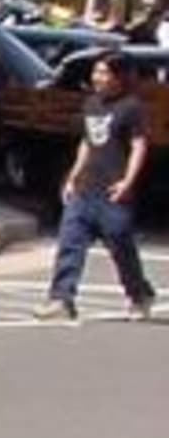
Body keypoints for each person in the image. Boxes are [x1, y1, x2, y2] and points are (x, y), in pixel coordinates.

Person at [35, 51, 156, 322]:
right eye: (96, 72)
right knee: (70, 242)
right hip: (86, 188)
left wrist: (127, 181)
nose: (97, 78)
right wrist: (73, 175)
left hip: (113, 191)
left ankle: (139, 294)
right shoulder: (92, 103)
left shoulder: (131, 107)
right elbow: (88, 143)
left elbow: (139, 145)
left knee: (120, 246)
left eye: (104, 73)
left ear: (120, 77)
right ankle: (61, 299)